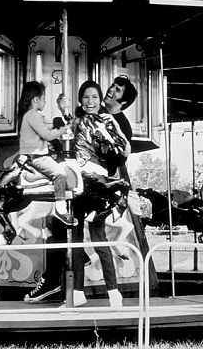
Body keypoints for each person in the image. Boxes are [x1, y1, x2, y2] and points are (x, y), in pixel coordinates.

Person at [24, 78, 138, 305]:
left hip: (99, 182)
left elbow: (121, 152)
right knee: (71, 233)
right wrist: (63, 110)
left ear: (122, 102)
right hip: (80, 179)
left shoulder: (116, 122)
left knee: (97, 235)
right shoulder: (91, 115)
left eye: (116, 90)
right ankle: (74, 291)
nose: (109, 92)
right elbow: (72, 124)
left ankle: (110, 290)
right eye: (87, 97)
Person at [18, 81, 77, 226]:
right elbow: (47, 135)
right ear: (35, 100)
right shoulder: (32, 115)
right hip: (37, 157)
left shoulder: (32, 116)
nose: (45, 102)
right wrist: (63, 129)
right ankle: (60, 208)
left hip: (40, 155)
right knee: (60, 174)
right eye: (44, 99)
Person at [101, 76, 138, 183]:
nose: (111, 89)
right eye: (113, 85)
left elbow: (120, 160)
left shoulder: (124, 127)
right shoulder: (96, 110)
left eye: (117, 90)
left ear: (124, 101)